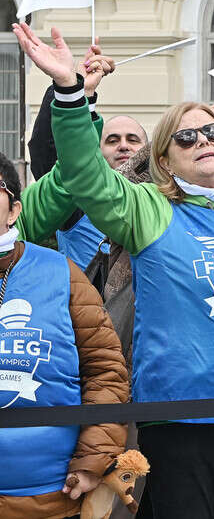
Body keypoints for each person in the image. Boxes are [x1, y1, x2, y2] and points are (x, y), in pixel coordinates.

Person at [17, 22, 214, 518]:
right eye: (186, 136)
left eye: (212, 132)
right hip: (181, 418)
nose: (203, 140)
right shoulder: (149, 208)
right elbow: (84, 175)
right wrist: (72, 94)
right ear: (164, 158)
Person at [0, 151, 130, 519]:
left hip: (49, 496)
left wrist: (92, 460)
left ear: (14, 210)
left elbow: (105, 372)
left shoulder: (62, 274)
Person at [27, 40, 143, 269]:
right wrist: (70, 87)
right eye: (112, 140)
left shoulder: (159, 201)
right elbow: (48, 152)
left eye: (133, 139)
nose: (123, 146)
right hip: (86, 303)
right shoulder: (79, 198)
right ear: (96, 151)